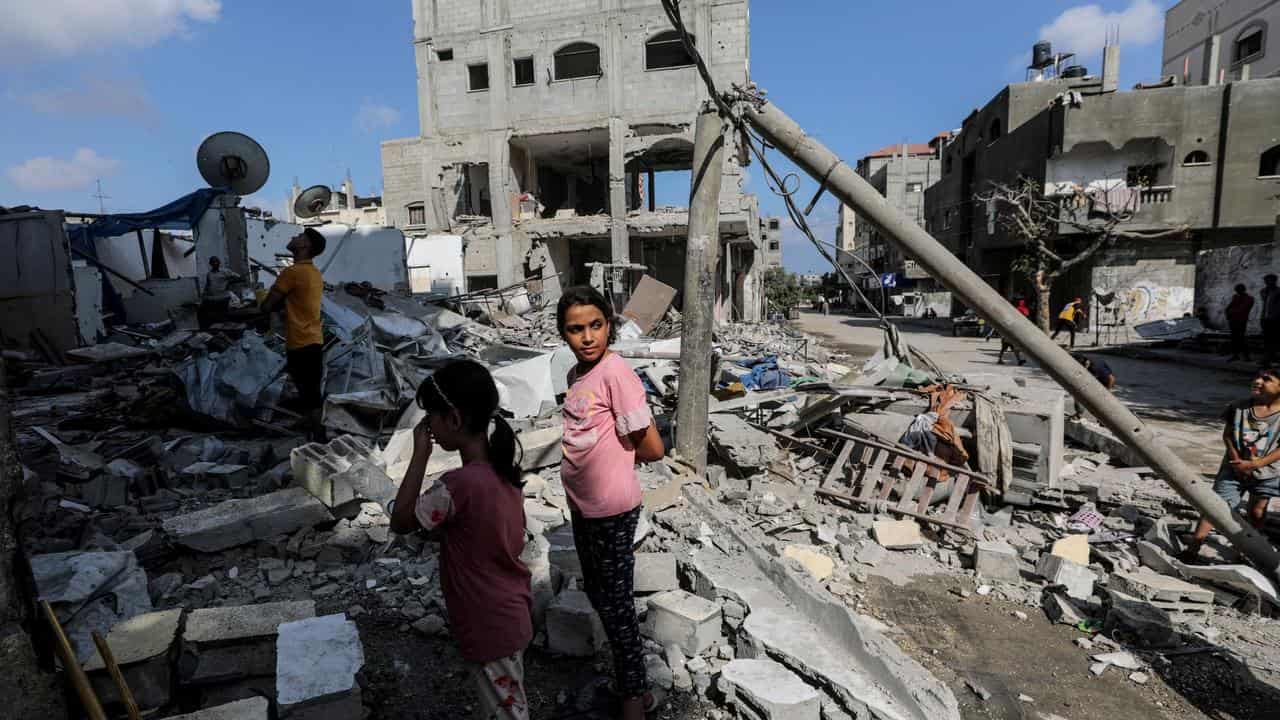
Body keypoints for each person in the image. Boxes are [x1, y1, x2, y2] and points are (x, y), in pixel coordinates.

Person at [388, 360, 531, 719]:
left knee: (507, 712)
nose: (429, 429)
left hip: (488, 624)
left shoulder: (458, 486)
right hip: (509, 613)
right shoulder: (502, 473)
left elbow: (401, 520)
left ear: (452, 419)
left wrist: (419, 454)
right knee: (505, 702)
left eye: (431, 419)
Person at [556, 286, 666, 719]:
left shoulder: (617, 373)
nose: (587, 337)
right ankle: (629, 685)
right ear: (563, 334)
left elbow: (653, 448)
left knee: (618, 608)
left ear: (610, 325)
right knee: (602, 597)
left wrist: (617, 455)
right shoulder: (576, 376)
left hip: (613, 509)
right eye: (575, 329)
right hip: (583, 507)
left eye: (596, 326)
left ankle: (632, 700)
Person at [1180, 367, 1280, 563]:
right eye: (1257, 377)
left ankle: (1247, 552)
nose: (1258, 381)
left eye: (1266, 379)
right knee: (1216, 506)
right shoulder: (1239, 407)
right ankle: (1193, 547)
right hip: (1233, 469)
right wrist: (1236, 461)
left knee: (1257, 512)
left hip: (1268, 471)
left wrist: (1256, 464)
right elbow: (1227, 435)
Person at [261, 228, 327, 437]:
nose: (293, 237)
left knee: (309, 394)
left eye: (299, 236)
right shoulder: (314, 273)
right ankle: (312, 430)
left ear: (305, 246)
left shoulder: (292, 273)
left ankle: (320, 441)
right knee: (311, 392)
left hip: (300, 342)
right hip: (314, 339)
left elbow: (267, 305)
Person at [197, 256, 241, 329]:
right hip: (213, 298)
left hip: (224, 297)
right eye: (213, 262)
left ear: (219, 263)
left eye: (216, 261)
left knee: (224, 315)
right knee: (211, 316)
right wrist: (203, 295)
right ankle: (216, 329)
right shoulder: (209, 274)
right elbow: (207, 286)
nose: (215, 263)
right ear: (210, 264)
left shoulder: (225, 271)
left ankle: (227, 329)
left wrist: (229, 282)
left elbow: (238, 277)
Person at [1225, 284, 1255, 362]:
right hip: (1233, 320)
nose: (1237, 291)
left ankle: (1246, 355)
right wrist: (1229, 313)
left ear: (1243, 289)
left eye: (1239, 290)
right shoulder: (1235, 297)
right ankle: (1236, 355)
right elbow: (1228, 308)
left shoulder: (1249, 298)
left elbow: (1242, 309)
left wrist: (1231, 312)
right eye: (1237, 290)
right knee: (1234, 338)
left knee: (1241, 338)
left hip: (1241, 320)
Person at [997, 297, 1030, 365]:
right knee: (1007, 348)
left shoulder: (1013, 312)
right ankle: (1017, 360)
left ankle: (1018, 361)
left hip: (1009, 334)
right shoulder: (1017, 311)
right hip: (1010, 334)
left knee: (1007, 348)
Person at [1262, 274, 1280, 364]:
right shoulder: (1264, 291)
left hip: (1275, 319)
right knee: (1266, 339)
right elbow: (1265, 305)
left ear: (1274, 281)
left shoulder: (1278, 291)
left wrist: (1276, 316)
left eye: (1270, 280)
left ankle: (1273, 357)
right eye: (1266, 281)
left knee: (1274, 339)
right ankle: (1267, 358)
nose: (1267, 282)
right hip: (1265, 319)